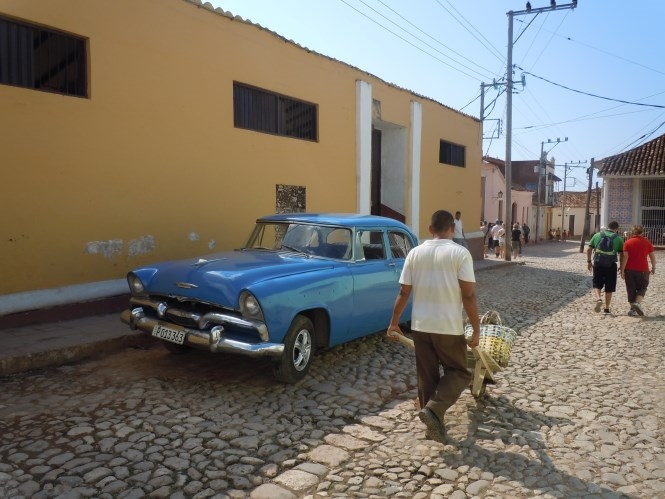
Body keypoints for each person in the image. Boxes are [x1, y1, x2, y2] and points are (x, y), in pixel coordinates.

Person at [386, 210, 480, 444]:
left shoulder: (415, 253)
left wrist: (394, 322)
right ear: (452, 229)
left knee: (427, 377)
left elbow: (403, 292)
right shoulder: (460, 254)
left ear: (430, 229)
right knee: (459, 372)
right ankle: (434, 409)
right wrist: (476, 329)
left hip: (421, 326)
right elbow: (468, 296)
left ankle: (433, 427)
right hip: (447, 326)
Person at [586, 221, 624, 315]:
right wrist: (621, 267)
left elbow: (589, 249)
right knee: (609, 286)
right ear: (617, 229)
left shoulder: (597, 235)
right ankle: (606, 308)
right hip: (611, 265)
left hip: (598, 263)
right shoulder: (619, 239)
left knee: (597, 283)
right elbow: (622, 254)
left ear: (607, 227)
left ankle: (598, 299)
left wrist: (589, 262)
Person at [620, 225, 656, 316]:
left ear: (632, 233)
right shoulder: (647, 243)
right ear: (642, 232)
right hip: (643, 269)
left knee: (630, 289)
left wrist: (623, 270)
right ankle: (637, 304)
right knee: (643, 287)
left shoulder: (627, 242)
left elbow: (625, 257)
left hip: (630, 270)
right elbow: (652, 257)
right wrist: (653, 267)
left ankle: (633, 309)